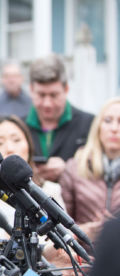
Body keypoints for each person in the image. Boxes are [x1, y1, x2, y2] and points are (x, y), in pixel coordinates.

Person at [0, 115, 77, 276]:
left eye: (16, 139)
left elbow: (63, 247)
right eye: (0, 142)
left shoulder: (50, 191)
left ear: (28, 146)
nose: (10, 147)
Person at [25, 53, 94, 182]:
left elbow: (101, 172)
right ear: (31, 90)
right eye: (41, 95)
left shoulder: (90, 124)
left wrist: (68, 170)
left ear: (66, 89)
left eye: (53, 95)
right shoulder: (18, 128)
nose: (47, 103)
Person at [60, 98, 120, 243]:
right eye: (107, 120)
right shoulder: (75, 167)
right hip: (83, 260)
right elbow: (59, 227)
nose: (114, 128)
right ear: (98, 126)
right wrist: (84, 232)